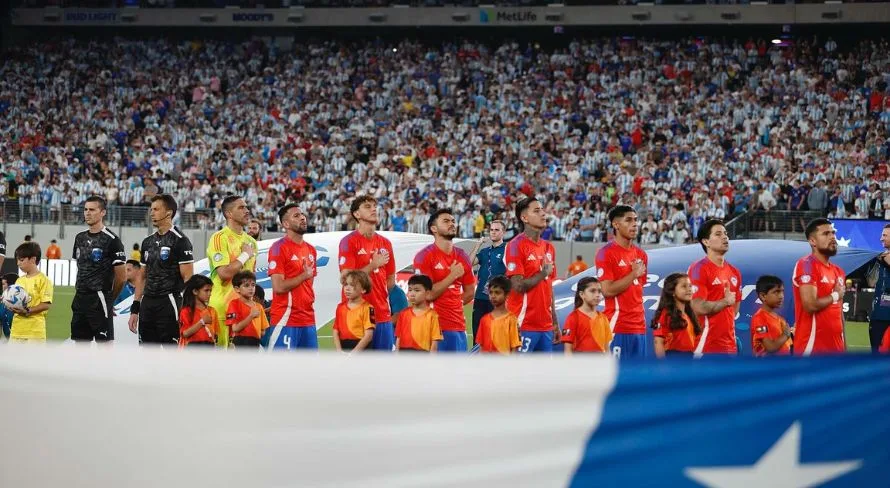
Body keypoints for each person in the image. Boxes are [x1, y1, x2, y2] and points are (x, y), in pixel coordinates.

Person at [128, 194, 195, 346]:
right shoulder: (147, 242)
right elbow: (142, 277)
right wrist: (135, 309)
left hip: (169, 303)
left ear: (169, 213)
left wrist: (189, 311)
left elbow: (188, 279)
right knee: (147, 354)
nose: (152, 213)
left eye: (156, 209)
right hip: (147, 305)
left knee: (171, 355)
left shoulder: (181, 241)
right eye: (151, 209)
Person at [339, 195, 396, 351]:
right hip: (356, 316)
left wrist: (379, 299)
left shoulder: (385, 243)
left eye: (374, 206)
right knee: (357, 370)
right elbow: (346, 279)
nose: (373, 209)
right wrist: (373, 265)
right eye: (367, 206)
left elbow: (390, 280)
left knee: (383, 369)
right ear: (357, 214)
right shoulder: (348, 242)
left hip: (382, 315)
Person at [413, 209, 475, 352]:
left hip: (458, 326)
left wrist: (453, 304)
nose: (452, 224)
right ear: (433, 228)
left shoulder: (462, 256)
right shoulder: (424, 256)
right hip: (432, 328)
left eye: (453, 221)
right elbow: (427, 295)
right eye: (446, 221)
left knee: (459, 373)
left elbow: (470, 292)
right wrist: (452, 276)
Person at [505, 198, 561, 353]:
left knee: (542, 376)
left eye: (542, 210)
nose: (543, 214)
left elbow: (549, 288)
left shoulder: (549, 247)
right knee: (520, 374)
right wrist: (543, 273)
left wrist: (554, 322)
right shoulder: (515, 246)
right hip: (523, 324)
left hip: (546, 327)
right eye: (537, 211)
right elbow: (517, 286)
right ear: (524, 218)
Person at [71, 195, 127, 344]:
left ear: (103, 212)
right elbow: (81, 268)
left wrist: (110, 300)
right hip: (80, 298)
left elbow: (122, 277)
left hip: (99, 298)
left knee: (104, 346)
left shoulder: (112, 240)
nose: (87, 213)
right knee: (80, 345)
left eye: (92, 210)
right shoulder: (79, 238)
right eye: (85, 209)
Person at [595, 205, 648, 359]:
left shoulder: (641, 254)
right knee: (617, 377)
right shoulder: (606, 253)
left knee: (638, 378)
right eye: (629, 220)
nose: (635, 224)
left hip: (639, 327)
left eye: (636, 220)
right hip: (618, 326)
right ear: (616, 225)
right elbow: (607, 290)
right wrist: (633, 274)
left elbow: (638, 289)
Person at [264, 204, 318, 350]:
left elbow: (308, 284)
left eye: (302, 214)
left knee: (310, 370)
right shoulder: (279, 248)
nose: (302, 218)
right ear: (285, 224)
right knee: (282, 370)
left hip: (308, 319)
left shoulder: (311, 249)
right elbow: (279, 287)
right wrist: (303, 276)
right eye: (296, 216)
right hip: (286, 319)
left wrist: (305, 277)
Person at [206, 195, 257, 348]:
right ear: (228, 214)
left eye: (246, 207)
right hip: (222, 310)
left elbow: (251, 277)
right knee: (220, 362)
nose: (247, 211)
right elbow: (224, 274)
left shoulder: (252, 242)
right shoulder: (219, 238)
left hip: (245, 311)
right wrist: (245, 255)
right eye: (241, 208)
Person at [687, 219, 742, 357]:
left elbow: (734, 311)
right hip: (706, 347)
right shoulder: (699, 268)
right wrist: (724, 302)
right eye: (718, 234)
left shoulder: (734, 272)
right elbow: (698, 307)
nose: (725, 237)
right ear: (706, 242)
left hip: (730, 347)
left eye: (725, 233)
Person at [792, 218, 846, 356]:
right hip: (812, 348)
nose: (832, 237)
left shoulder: (838, 271)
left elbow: (839, 313)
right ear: (812, 241)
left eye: (833, 233)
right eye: (826, 234)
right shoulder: (806, 265)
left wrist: (844, 345)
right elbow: (810, 305)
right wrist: (835, 295)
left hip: (836, 349)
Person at [469, 220, 506, 343]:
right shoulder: (485, 251)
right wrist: (478, 245)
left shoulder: (507, 250)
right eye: (491, 230)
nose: (493, 232)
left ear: (503, 232)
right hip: (480, 297)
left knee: (495, 336)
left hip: (498, 299)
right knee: (477, 334)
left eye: (497, 230)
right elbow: (468, 263)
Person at [8, 242, 53, 343]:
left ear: (33, 259)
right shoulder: (19, 281)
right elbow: (14, 301)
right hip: (17, 331)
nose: (18, 263)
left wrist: (27, 311)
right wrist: (9, 304)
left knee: (33, 359)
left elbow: (45, 305)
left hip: (35, 333)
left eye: (21, 260)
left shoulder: (44, 280)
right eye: (17, 260)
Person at [651, 273, 701, 358]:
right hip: (674, 361)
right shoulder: (666, 314)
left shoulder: (689, 315)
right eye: (684, 286)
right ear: (672, 292)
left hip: (689, 360)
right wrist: (662, 367)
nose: (689, 289)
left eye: (690, 286)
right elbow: (658, 341)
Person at [561, 277, 612, 355]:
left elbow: (607, 349)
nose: (597, 295)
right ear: (582, 294)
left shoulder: (603, 318)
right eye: (592, 291)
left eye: (599, 291)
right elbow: (568, 350)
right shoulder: (573, 318)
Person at [475, 275, 521, 355]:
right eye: (491, 292)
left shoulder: (512, 320)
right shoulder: (484, 319)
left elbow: (515, 348)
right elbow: (481, 347)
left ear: (507, 295)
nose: (493, 296)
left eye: (497, 292)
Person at [395, 274, 442, 353]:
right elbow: (398, 339)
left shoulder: (432, 316)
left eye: (417, 290)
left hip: (423, 357)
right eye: (410, 290)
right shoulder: (403, 314)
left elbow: (434, 343)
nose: (412, 294)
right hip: (404, 356)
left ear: (427, 293)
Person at [332, 270, 375, 354]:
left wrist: (353, 354)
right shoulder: (340, 307)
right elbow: (335, 330)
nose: (347, 288)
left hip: (362, 351)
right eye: (346, 284)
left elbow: (369, 335)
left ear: (363, 289)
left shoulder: (368, 308)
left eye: (352, 285)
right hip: (344, 348)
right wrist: (339, 351)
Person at [751, 275, 793, 357]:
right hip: (767, 367)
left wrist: (792, 334)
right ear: (763, 296)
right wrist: (786, 335)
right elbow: (770, 347)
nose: (781, 296)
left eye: (782, 291)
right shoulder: (759, 318)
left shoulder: (781, 320)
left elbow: (787, 347)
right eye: (776, 292)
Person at [226, 271, 269, 349]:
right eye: (246, 285)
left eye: (253, 285)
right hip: (240, 343)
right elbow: (235, 328)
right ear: (237, 289)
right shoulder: (234, 304)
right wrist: (251, 316)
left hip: (255, 343)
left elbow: (263, 332)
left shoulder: (259, 307)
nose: (251, 288)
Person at [178, 275, 217, 348]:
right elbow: (185, 333)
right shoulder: (186, 311)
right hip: (192, 349)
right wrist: (202, 322)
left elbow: (215, 334)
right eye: (206, 290)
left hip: (210, 347)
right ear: (195, 291)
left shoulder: (212, 311)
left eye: (210, 290)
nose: (210, 294)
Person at [869, 224, 890, 353]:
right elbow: (871, 282)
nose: (881, 238)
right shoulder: (879, 258)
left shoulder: (883, 257)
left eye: (885, 235)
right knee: (876, 353)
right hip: (878, 315)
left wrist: (884, 257)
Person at [0, 273, 18, 339]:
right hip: (7, 343)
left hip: (20, 341)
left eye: (3, 284)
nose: (2, 286)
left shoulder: (21, 302)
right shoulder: (2, 302)